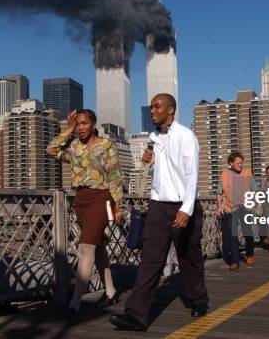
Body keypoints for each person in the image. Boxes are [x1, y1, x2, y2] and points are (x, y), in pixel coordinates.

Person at [109, 94, 208, 331]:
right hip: (157, 207)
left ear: (170, 110)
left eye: (157, 106)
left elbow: (191, 175)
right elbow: (164, 170)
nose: (152, 110)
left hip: (183, 207)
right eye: (152, 106)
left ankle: (199, 300)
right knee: (150, 261)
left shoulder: (186, 136)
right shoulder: (153, 137)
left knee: (189, 259)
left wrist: (186, 209)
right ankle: (136, 315)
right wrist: (150, 160)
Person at [46, 109, 123, 314]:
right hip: (81, 200)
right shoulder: (74, 147)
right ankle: (111, 291)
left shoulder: (106, 145)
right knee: (97, 248)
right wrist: (67, 129)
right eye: (77, 124)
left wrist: (118, 206)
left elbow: (115, 176)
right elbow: (51, 150)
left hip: (102, 198)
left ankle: (75, 302)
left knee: (85, 248)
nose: (80, 128)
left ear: (94, 123)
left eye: (84, 124)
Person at [216, 152, 257, 269]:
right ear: (231, 163)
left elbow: (255, 190)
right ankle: (235, 261)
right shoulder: (224, 175)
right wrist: (219, 206)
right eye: (238, 163)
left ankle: (249, 254)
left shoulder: (247, 173)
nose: (241, 165)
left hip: (245, 207)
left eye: (242, 163)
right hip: (230, 208)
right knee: (232, 236)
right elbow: (219, 192)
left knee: (248, 233)